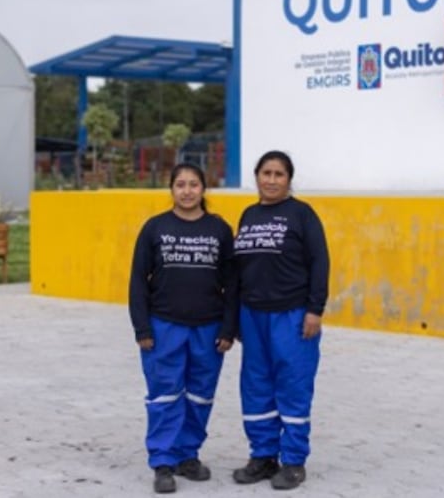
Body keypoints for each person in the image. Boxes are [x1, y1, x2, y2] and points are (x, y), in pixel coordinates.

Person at [128, 163, 238, 494]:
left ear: (204, 189)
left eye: (193, 184)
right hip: (164, 326)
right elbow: (137, 281)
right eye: (180, 184)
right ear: (171, 189)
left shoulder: (219, 230)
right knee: (164, 395)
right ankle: (162, 461)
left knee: (200, 396)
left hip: (208, 328)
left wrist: (228, 328)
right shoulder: (155, 228)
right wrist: (142, 328)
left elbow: (233, 283)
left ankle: (187, 455)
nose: (187, 190)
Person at [232, 150, 330, 490]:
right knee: (256, 385)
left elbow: (320, 262)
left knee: (292, 384)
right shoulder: (248, 215)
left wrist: (314, 309)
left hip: (292, 315)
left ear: (289, 180)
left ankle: (293, 461)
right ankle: (262, 456)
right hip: (253, 315)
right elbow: (239, 269)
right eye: (266, 173)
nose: (271, 180)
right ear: (256, 176)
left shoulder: (302, 215)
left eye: (279, 174)